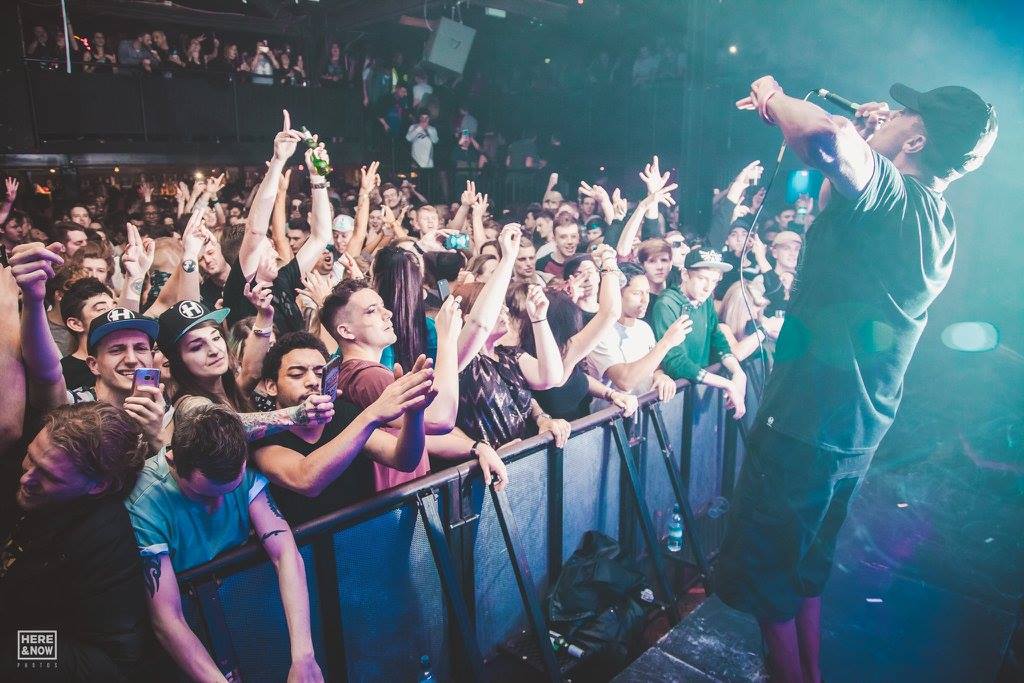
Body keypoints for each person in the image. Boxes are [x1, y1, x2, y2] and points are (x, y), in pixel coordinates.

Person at [719, 76, 997, 683]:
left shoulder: (902, 201)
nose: (888, 111)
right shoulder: (930, 218)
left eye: (905, 110)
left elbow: (822, 135)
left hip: (807, 420)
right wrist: (875, 139)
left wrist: (774, 99)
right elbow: (831, 201)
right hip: (847, 428)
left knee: (769, 591)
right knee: (802, 576)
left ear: (918, 137)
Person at [126, 403, 324, 681]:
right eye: (203, 494)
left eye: (230, 490)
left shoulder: (237, 467)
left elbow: (285, 554)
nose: (218, 503)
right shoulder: (144, 501)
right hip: (191, 631)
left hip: (241, 609)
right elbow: (167, 618)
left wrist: (304, 656)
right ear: (172, 460)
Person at [1, 402, 152, 680]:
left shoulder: (105, 541)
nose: (26, 478)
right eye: (30, 457)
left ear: (98, 485)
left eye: (48, 475)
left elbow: (110, 660)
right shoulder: (21, 471)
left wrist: (13, 650)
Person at [251, 332, 436, 523]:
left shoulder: (343, 412)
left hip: (365, 538)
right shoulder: (265, 434)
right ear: (271, 386)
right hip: (307, 548)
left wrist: (414, 413)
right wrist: (372, 414)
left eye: (320, 372)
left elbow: (404, 460)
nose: (313, 381)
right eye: (297, 374)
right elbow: (306, 479)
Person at [650, 248, 747, 418]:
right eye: (702, 279)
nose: (708, 287)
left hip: (698, 389)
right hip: (672, 398)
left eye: (714, 281)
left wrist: (738, 372)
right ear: (685, 274)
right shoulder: (666, 304)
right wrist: (726, 384)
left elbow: (718, 339)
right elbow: (675, 361)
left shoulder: (706, 300)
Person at [589, 262, 693, 400]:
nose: (645, 300)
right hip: (613, 417)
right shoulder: (599, 331)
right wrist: (666, 342)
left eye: (647, 292)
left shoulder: (644, 328)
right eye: (637, 293)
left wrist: (660, 376)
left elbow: (654, 366)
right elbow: (624, 381)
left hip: (643, 412)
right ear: (616, 294)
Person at [535, 213, 581, 278]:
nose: (569, 241)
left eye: (573, 236)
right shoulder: (541, 265)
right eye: (563, 237)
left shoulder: (584, 263)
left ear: (578, 238)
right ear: (554, 239)